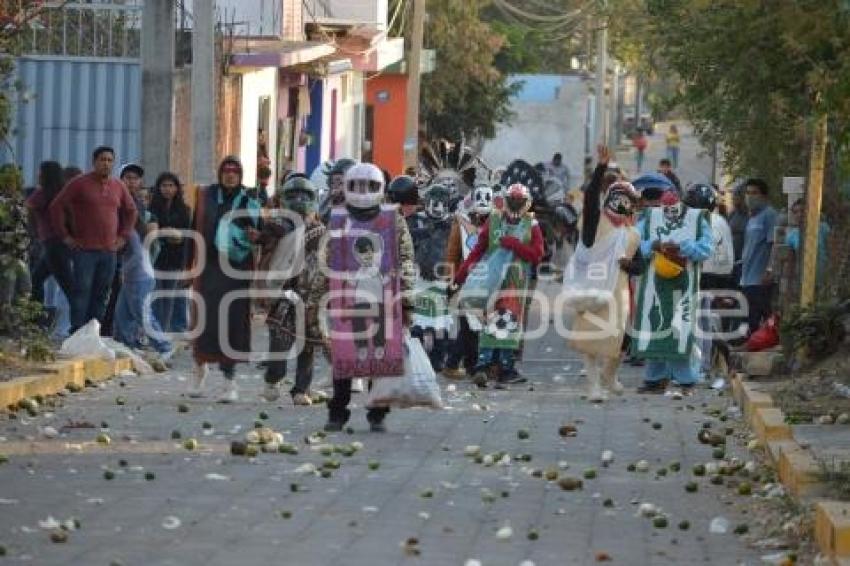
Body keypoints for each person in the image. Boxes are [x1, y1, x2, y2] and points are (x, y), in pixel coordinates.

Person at [308, 162, 416, 433]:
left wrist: (408, 300)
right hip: (346, 299)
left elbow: (405, 259)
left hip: (384, 298)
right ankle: (338, 411)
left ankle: (377, 411)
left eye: (370, 186)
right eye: (358, 186)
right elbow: (326, 260)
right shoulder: (337, 218)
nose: (364, 192)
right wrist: (316, 298)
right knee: (344, 358)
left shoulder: (394, 219)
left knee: (380, 357)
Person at [564, 145, 640, 402]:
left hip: (621, 290)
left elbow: (639, 264)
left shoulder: (632, 232)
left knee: (622, 339)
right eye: (617, 198)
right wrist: (600, 167)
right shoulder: (595, 223)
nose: (621, 204)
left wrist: (629, 265)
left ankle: (610, 375)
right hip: (593, 286)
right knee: (591, 339)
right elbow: (588, 199)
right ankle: (594, 385)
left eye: (627, 201)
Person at [453, 183, 545, 389]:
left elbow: (537, 254)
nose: (515, 206)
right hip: (491, 280)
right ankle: (487, 367)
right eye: (512, 201)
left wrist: (514, 244)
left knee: (508, 322)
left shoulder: (532, 224)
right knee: (490, 321)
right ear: (504, 201)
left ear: (526, 203)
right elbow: (477, 251)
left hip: (515, 281)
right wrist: (460, 276)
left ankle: (502, 368)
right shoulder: (493, 220)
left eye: (519, 202)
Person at [188, 156, 261, 402]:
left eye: (235, 171)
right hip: (208, 269)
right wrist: (189, 267)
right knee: (204, 322)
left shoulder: (250, 199)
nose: (230, 175)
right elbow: (194, 231)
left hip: (236, 272)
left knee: (232, 324)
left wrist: (255, 235)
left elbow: (261, 233)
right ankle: (199, 370)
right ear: (220, 173)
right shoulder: (206, 196)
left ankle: (229, 382)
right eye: (226, 171)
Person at [632, 190, 714, 396]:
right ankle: (654, 379)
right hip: (653, 282)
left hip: (683, 283)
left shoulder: (697, 219)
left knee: (680, 328)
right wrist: (653, 245)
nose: (669, 212)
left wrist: (684, 248)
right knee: (655, 324)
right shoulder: (650, 217)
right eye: (665, 208)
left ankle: (686, 379)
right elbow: (633, 242)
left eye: (673, 209)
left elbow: (706, 248)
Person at [48, 146, 138, 332]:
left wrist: (123, 237)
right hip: (84, 251)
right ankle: (77, 332)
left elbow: (131, 211)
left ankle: (93, 334)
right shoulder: (79, 183)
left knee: (101, 294)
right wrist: (65, 236)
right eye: (102, 159)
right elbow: (56, 207)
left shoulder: (118, 186)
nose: (106, 163)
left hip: (109, 251)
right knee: (82, 293)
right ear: (94, 162)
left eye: (109, 160)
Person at [260, 176, 326, 406]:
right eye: (293, 196)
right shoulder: (278, 226)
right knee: (279, 342)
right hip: (284, 294)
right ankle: (273, 378)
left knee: (307, 345)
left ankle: (301, 389)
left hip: (311, 295)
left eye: (305, 196)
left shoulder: (320, 230)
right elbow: (265, 246)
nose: (299, 201)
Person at [443, 183, 494, 379]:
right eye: (479, 214)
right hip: (466, 279)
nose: (482, 218)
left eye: (486, 215)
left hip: (489, 279)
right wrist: (452, 280)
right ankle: (467, 365)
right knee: (468, 325)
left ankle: (466, 363)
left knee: (478, 325)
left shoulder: (497, 222)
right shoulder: (461, 223)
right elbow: (453, 253)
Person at [410, 184, 454, 372]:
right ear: (426, 202)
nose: (437, 207)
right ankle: (414, 357)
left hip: (441, 279)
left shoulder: (453, 225)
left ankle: (438, 358)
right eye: (433, 202)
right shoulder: (416, 221)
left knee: (439, 323)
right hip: (418, 278)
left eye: (442, 203)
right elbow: (406, 241)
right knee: (416, 320)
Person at [26, 161, 75, 309]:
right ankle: (36, 314)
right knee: (36, 279)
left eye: (40, 171)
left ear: (45, 175)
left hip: (52, 244)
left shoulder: (41, 193)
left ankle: (83, 321)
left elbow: (26, 208)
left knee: (68, 285)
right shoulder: (64, 192)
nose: (37, 174)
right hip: (60, 243)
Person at [148, 172, 192, 333]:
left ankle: (164, 331)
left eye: (171, 185)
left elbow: (187, 235)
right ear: (158, 188)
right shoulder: (152, 209)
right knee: (155, 297)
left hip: (175, 259)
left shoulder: (184, 210)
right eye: (164, 185)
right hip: (155, 259)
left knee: (170, 298)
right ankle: (155, 331)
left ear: (177, 188)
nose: (167, 189)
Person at [740, 178, 777, 335]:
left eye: (754, 193)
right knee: (751, 317)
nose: (750, 196)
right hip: (747, 277)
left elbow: (773, 244)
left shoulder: (769, 215)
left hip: (760, 278)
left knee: (764, 315)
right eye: (747, 193)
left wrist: (769, 269)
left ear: (764, 196)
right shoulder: (752, 218)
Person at [785, 198, 830, 287]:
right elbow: (791, 262)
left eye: (802, 211)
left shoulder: (823, 228)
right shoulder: (792, 235)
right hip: (802, 280)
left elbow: (831, 252)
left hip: (823, 279)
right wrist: (789, 286)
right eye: (795, 212)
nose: (799, 215)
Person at [727, 184, 749, 286]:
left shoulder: (750, 216)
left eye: (735, 195)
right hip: (731, 261)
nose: (733, 198)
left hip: (743, 262)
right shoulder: (732, 214)